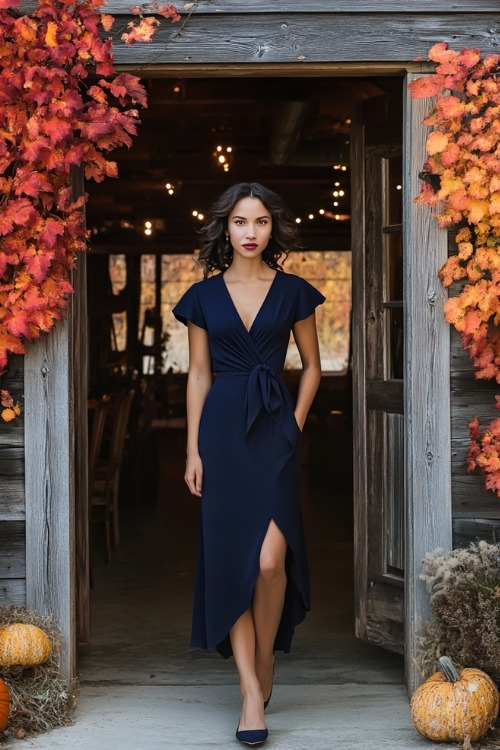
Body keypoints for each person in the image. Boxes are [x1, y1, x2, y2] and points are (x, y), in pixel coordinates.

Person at [173, 182, 325, 746]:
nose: (251, 232)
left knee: (268, 562)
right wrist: (193, 449)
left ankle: (264, 662)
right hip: (221, 433)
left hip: (274, 429)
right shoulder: (201, 297)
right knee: (232, 559)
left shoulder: (294, 293)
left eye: (260, 222)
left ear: (272, 228)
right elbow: (198, 375)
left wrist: (295, 424)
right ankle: (248, 692)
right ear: (226, 229)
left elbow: (311, 366)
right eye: (241, 222)